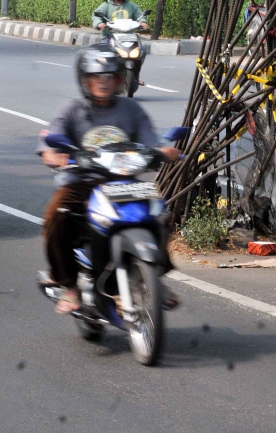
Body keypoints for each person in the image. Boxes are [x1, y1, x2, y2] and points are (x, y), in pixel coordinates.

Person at [38, 48, 180, 314]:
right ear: (85, 79)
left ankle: (154, 276)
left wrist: (163, 151)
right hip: (81, 183)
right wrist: (53, 155)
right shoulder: (72, 110)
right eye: (95, 76)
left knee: (159, 213)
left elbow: (152, 141)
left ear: (119, 79)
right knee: (55, 216)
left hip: (125, 183)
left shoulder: (131, 108)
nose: (103, 81)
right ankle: (68, 284)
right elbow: (50, 141)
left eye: (109, 75)